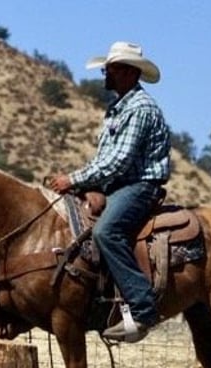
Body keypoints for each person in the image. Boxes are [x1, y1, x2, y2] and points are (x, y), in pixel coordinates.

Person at [49, 41, 170, 343]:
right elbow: (104, 159)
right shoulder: (118, 107)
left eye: (111, 69)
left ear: (130, 72)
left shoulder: (140, 108)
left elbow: (118, 161)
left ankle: (142, 309)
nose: (105, 74)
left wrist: (73, 179)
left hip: (139, 186)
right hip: (117, 184)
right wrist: (83, 183)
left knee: (106, 232)